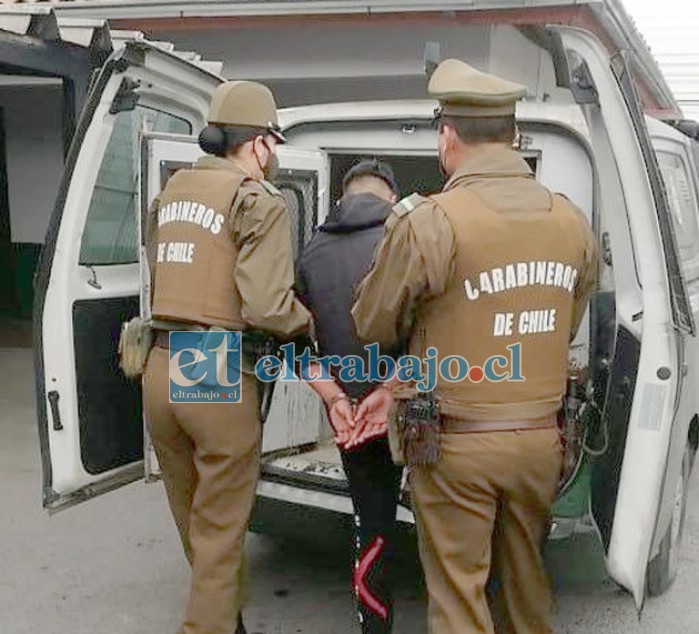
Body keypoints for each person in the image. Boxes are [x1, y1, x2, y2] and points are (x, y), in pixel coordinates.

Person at [351, 58, 598, 634]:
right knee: (527, 583)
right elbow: (565, 322)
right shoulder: (571, 220)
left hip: (455, 442)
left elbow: (372, 321)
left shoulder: (431, 222)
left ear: (447, 136)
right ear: (513, 137)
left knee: (460, 596)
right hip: (541, 438)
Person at [142, 80, 310, 634]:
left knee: (195, 522)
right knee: (218, 532)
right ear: (260, 143)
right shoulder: (256, 199)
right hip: (211, 363)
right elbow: (267, 307)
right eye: (274, 142)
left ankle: (225, 618)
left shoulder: (170, 195)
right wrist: (310, 322)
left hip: (159, 363)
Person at [295, 159, 404, 634]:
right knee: (444, 525)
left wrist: (334, 397)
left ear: (342, 197)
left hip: (349, 414)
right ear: (391, 199)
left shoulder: (312, 250)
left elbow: (295, 342)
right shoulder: (406, 239)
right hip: (407, 402)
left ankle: (374, 627)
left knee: (371, 525)